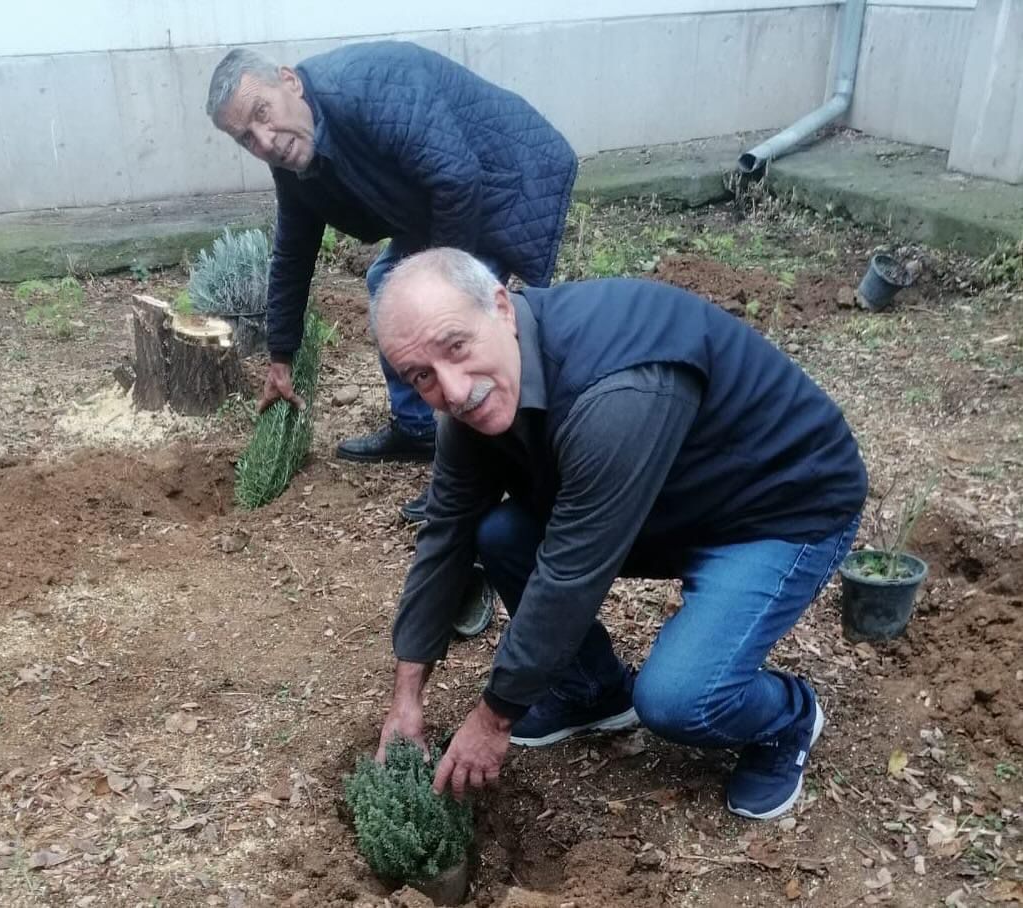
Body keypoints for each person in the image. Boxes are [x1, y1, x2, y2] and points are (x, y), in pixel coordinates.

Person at [371, 248, 868, 820]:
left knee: (679, 700)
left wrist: (494, 718)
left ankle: (787, 718)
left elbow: (571, 574)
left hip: (779, 508)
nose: (455, 391)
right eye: (421, 377)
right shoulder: (474, 404)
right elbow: (444, 537)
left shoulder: (616, 392)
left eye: (456, 347)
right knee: (501, 532)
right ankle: (592, 691)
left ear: (502, 309)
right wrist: (406, 698)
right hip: (668, 500)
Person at [205, 41, 578, 522]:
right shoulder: (293, 157)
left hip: (502, 178)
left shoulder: (366, 91)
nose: (266, 140)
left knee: (466, 332)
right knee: (389, 280)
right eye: (247, 138)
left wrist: (440, 288)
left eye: (263, 112)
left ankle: (478, 481)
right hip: (439, 195)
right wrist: (281, 355)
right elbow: (293, 251)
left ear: (289, 82)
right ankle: (419, 426)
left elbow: (457, 178)